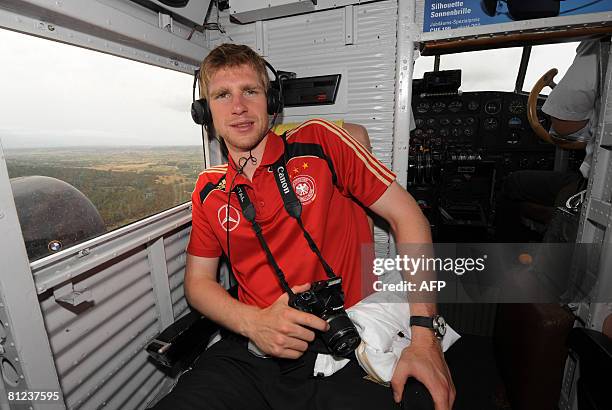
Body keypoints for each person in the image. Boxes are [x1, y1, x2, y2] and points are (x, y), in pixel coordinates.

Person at [153, 43, 454, 410]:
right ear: (205, 113)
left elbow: (408, 218)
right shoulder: (208, 190)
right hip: (254, 350)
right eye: (221, 95)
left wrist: (425, 338)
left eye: (250, 91)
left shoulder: (321, 141)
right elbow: (198, 284)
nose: (238, 107)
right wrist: (254, 324)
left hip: (346, 342)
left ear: (271, 101)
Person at [496, 40, 599, 242]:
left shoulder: (599, 42)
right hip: (596, 181)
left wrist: (590, 125)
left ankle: (509, 254)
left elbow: (563, 124)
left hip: (593, 185)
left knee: (513, 182)